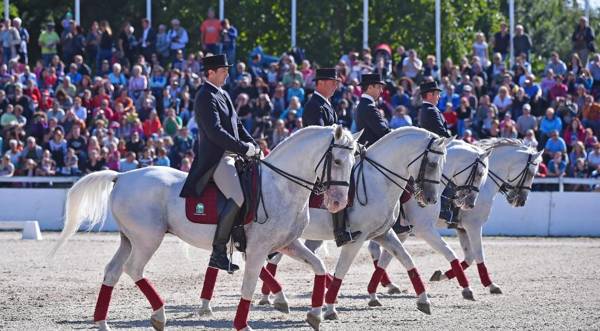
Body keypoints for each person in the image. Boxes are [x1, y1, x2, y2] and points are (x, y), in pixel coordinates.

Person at [179, 54, 257, 273]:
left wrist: (252, 143)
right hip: (217, 158)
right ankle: (219, 251)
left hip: (235, 155)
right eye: (223, 70)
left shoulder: (223, 93)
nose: (227, 74)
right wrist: (243, 148)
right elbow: (215, 132)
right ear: (210, 72)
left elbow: (237, 125)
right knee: (238, 197)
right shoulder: (205, 96)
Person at [303, 68, 361, 246]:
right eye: (333, 82)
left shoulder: (327, 104)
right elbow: (321, 135)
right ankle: (340, 230)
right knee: (339, 181)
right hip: (319, 158)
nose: (336, 86)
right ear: (320, 83)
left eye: (337, 83)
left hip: (330, 155)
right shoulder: (314, 105)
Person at [417, 81, 457, 227]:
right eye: (437, 93)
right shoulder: (430, 110)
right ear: (430, 94)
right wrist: (453, 139)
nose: (439, 96)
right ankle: (445, 209)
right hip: (435, 151)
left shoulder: (428, 109)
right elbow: (440, 132)